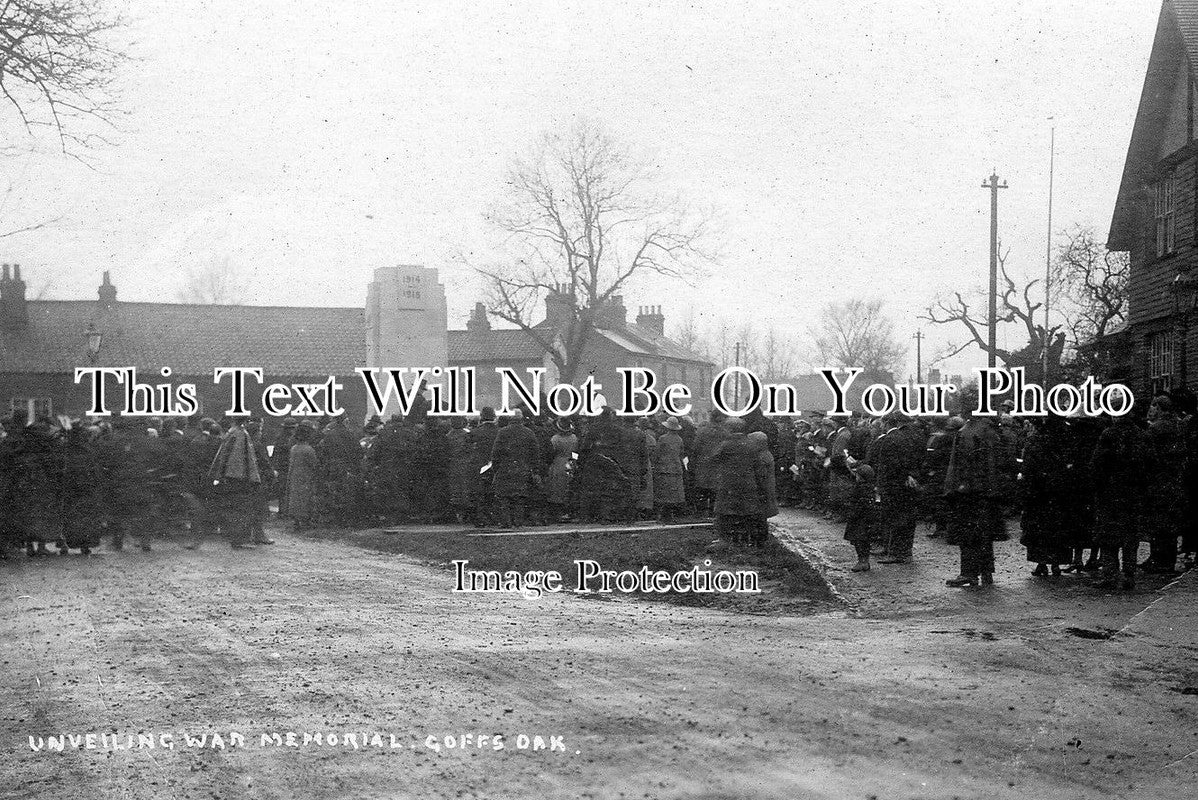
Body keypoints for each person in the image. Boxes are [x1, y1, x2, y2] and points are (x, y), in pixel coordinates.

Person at [1089, 411, 1150, 590]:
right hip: (1133, 493)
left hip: (1110, 492)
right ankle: (1129, 574)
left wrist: (1098, 485)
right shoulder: (1141, 434)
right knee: (1130, 535)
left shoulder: (1108, 434)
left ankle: (1110, 575)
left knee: (1108, 536)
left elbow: (1097, 463)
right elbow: (1151, 462)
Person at [943, 412, 1001, 588]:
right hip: (988, 491)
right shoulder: (991, 431)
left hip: (969, 492)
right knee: (984, 534)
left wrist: (956, 486)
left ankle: (968, 573)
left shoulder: (966, 432)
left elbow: (961, 463)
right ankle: (986, 571)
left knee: (968, 534)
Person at [870, 413, 922, 563]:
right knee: (902, 518)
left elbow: (890, 465)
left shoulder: (889, 439)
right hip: (902, 485)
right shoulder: (904, 437)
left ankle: (896, 552)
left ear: (886, 423)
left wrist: (880, 484)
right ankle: (899, 551)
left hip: (892, 485)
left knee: (893, 518)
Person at [208, 420, 266, 548]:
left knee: (235, 508)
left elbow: (223, 456)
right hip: (240, 477)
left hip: (231, 476)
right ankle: (240, 540)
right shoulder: (241, 434)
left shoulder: (231, 432)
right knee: (242, 509)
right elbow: (243, 459)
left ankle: (236, 538)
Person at [490, 409, 541, 528]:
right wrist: (535, 470)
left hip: (505, 468)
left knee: (504, 497)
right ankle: (518, 522)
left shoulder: (503, 432)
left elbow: (496, 452)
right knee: (519, 497)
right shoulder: (529, 433)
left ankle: (506, 522)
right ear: (521, 419)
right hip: (523, 468)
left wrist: (496, 468)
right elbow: (535, 453)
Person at [844, 462, 879, 572]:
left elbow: (857, 503)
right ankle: (865, 561)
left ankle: (861, 561)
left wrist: (852, 512)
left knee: (858, 541)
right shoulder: (871, 488)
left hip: (858, 519)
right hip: (867, 519)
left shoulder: (859, 488)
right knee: (865, 541)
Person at [286, 422, 319, 531]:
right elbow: (314, 464)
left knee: (295, 498)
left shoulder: (294, 448)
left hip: (295, 475)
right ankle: (305, 521)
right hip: (306, 476)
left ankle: (296, 521)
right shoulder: (309, 450)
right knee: (305, 498)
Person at [654, 417, 687, 523]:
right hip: (676, 469)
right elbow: (681, 454)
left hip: (664, 468)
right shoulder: (679, 439)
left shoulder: (662, 438)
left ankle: (662, 516)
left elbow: (657, 453)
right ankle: (670, 516)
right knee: (674, 495)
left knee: (663, 493)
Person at [546, 418, 578, 521]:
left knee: (556, 487)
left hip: (558, 462)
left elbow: (551, 453)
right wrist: (574, 462)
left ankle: (558, 512)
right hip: (570, 462)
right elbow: (576, 452)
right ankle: (568, 511)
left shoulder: (555, 439)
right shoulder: (574, 438)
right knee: (568, 486)